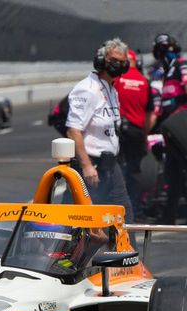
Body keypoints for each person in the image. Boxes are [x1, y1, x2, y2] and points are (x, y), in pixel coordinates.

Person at [66, 38, 134, 223]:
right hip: (90, 166)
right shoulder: (87, 89)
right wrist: (87, 165)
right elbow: (73, 130)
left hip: (111, 164)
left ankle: (129, 252)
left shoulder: (112, 90)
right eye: (113, 61)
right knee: (78, 220)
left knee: (123, 216)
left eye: (122, 62)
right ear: (102, 60)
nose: (117, 66)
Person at [143, 33, 187, 224]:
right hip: (170, 125)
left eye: (166, 49)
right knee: (174, 171)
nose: (165, 53)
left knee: (177, 169)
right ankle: (174, 213)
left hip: (181, 124)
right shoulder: (167, 70)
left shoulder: (182, 65)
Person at [114, 49, 154, 221]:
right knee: (135, 171)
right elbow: (150, 114)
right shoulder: (144, 82)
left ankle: (116, 210)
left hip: (118, 131)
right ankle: (135, 210)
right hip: (137, 131)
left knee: (117, 170)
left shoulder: (116, 79)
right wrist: (144, 134)